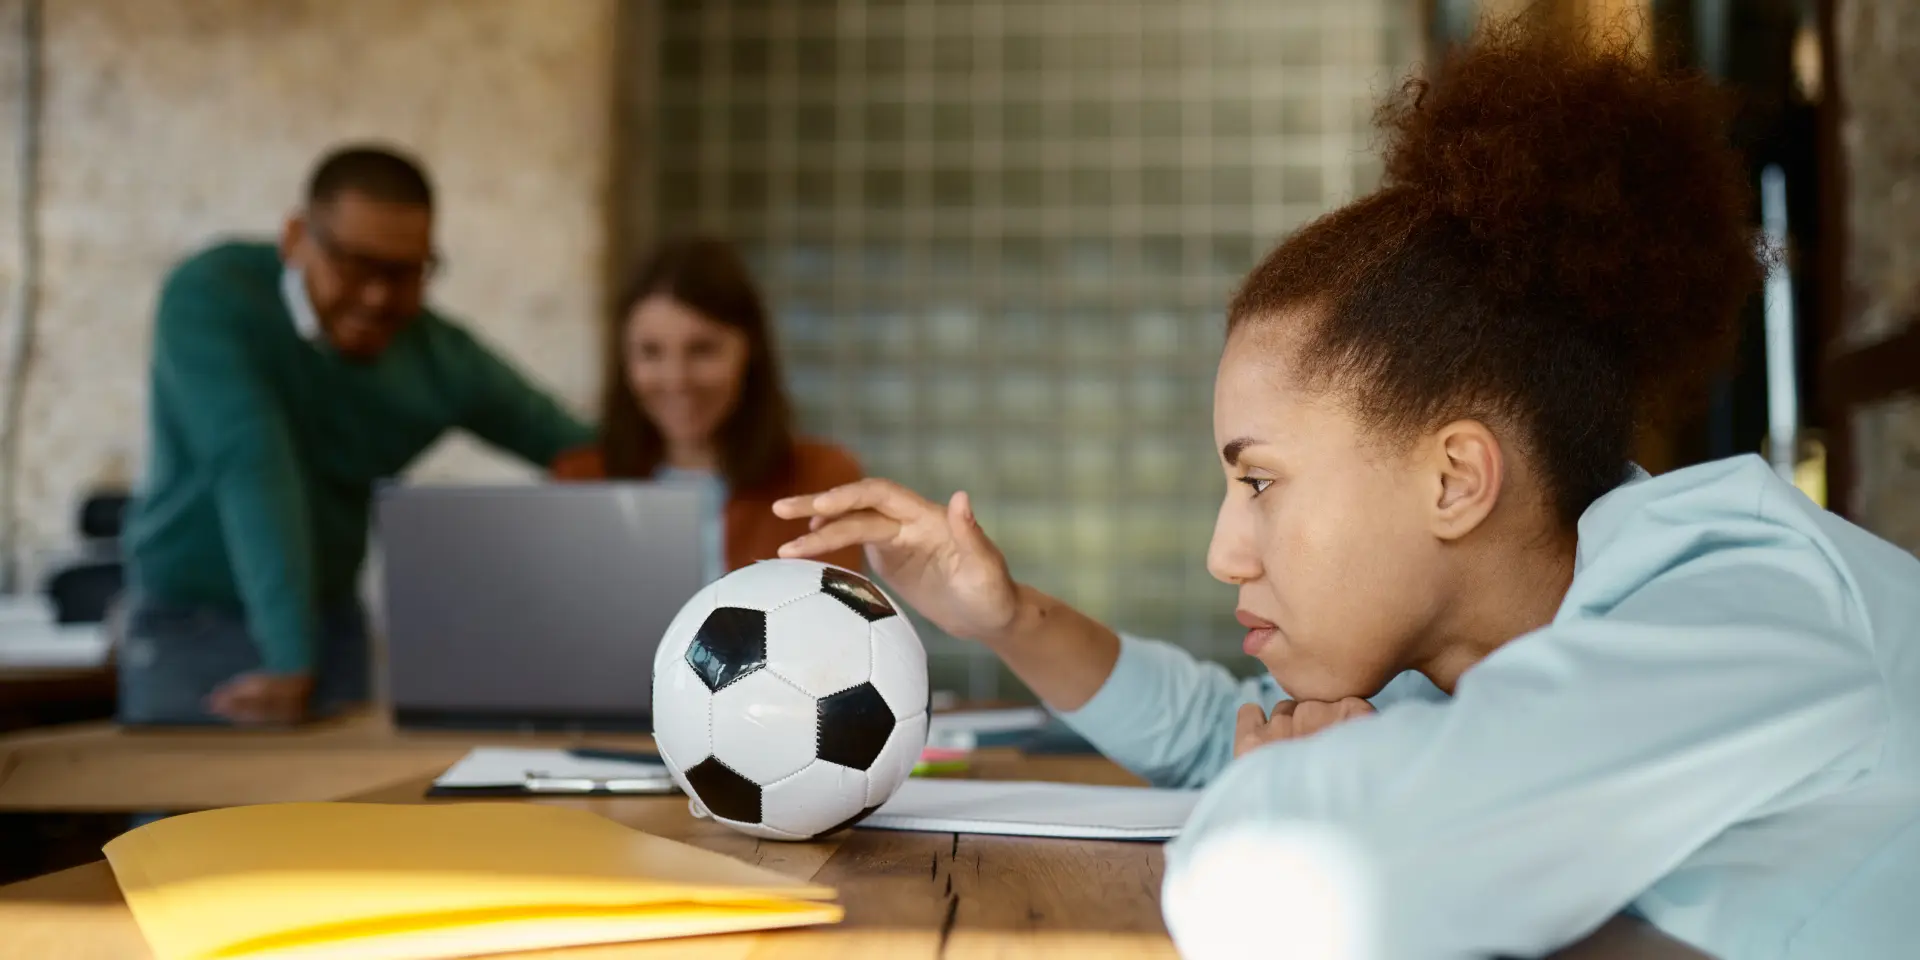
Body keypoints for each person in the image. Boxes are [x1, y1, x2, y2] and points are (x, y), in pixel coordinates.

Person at [771, 25, 1920, 960]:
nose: (1227, 552)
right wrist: (1007, 616)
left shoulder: (1736, 618)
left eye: (1260, 480)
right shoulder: (1482, 666)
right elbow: (1217, 738)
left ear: (1456, 478)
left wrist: (1313, 784)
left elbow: (1284, 884)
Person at [121, 145, 594, 728]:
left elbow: (579, 452)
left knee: (338, 820)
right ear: (296, 236)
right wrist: (289, 658)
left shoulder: (440, 359)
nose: (376, 297)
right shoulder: (212, 295)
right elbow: (252, 462)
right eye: (352, 264)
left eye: (404, 273)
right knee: (178, 821)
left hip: (331, 631)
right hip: (190, 626)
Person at [551, 238, 863, 576]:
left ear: (749, 349)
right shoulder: (578, 482)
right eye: (650, 352)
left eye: (702, 350)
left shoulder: (820, 483)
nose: (676, 380)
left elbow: (832, 622)